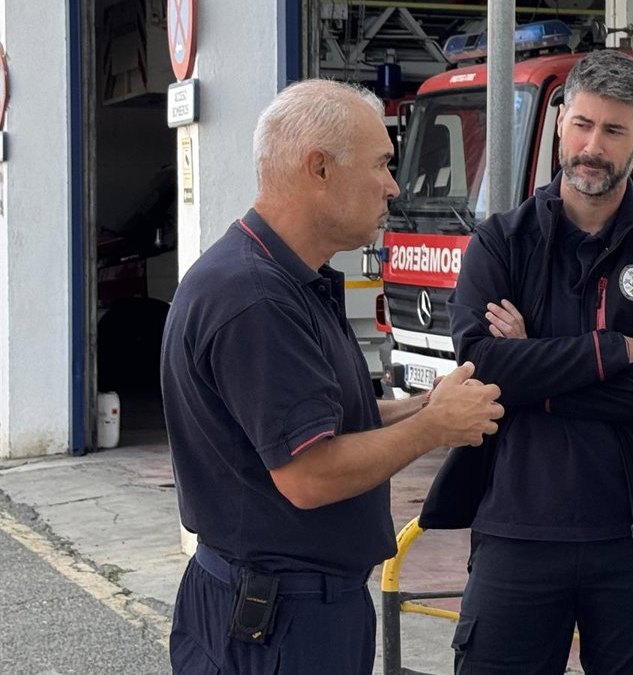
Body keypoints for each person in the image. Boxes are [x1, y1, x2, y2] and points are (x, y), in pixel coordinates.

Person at [159, 79, 504, 675]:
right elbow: (309, 474)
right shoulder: (255, 298)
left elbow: (330, 425)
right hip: (276, 625)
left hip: (288, 610)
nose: (393, 187)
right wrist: (436, 429)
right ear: (318, 168)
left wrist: (425, 406)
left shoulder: (281, 278)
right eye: (381, 165)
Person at [418, 50, 633, 675]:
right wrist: (611, 352)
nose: (593, 146)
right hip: (516, 533)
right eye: (581, 124)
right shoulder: (500, 242)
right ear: (559, 123)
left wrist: (530, 366)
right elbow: (480, 366)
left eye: (613, 130)